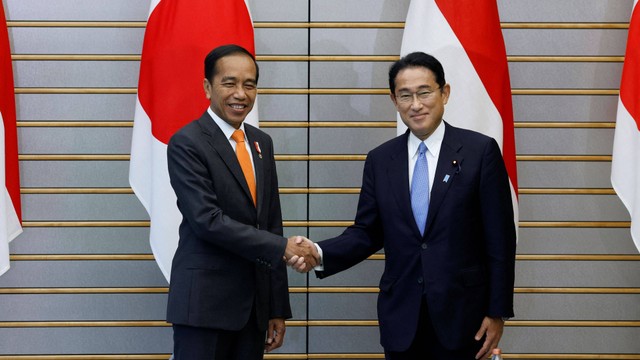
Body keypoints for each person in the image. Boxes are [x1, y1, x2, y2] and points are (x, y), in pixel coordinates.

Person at [289, 52, 516, 360]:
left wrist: (497, 310)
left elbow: (499, 240)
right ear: (394, 100)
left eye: (424, 92)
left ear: (444, 92)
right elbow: (367, 232)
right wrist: (319, 252)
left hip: (464, 316)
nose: (416, 104)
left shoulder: (480, 151)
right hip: (402, 319)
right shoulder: (381, 160)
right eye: (405, 95)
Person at [165, 44, 317, 360]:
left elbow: (271, 223)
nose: (241, 93)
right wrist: (284, 248)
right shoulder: (187, 142)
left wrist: (276, 307)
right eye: (229, 83)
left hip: (253, 311)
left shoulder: (262, 143)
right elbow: (207, 220)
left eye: (249, 84)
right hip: (204, 308)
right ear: (208, 87)